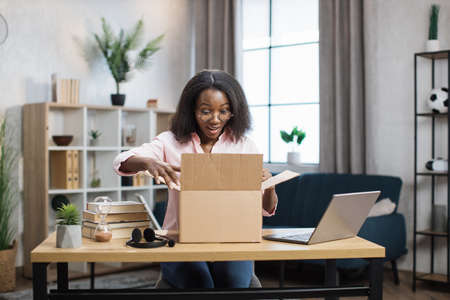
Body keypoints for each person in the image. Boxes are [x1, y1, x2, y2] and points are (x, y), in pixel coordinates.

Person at [113, 69, 278, 288]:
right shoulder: (170, 142)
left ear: (234, 112)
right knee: (200, 283)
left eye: (224, 111)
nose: (215, 119)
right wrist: (148, 162)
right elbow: (121, 161)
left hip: (233, 241)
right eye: (205, 111)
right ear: (192, 110)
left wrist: (270, 186)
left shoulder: (244, 145)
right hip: (181, 240)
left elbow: (265, 209)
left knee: (233, 282)